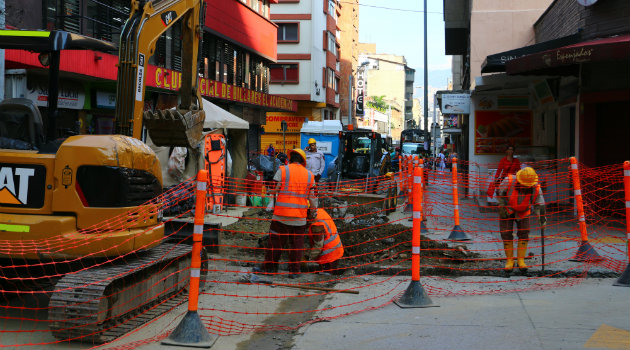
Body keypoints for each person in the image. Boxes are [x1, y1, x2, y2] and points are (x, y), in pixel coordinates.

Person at [260, 148, 317, 278]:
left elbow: (273, 189)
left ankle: (270, 268)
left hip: (281, 216)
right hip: (299, 218)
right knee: (296, 245)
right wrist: (313, 213)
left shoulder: (283, 170)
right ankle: (294, 271)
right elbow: (313, 197)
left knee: (275, 243)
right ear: (303, 161)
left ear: (290, 158)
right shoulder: (309, 175)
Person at [496, 167, 546, 273]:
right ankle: (510, 260)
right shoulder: (509, 180)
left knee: (524, 232)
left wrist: (542, 218)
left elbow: (539, 204)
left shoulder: (536, 187)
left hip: (523, 210)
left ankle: (521, 260)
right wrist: (501, 205)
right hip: (508, 209)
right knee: (506, 233)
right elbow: (500, 192)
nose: (526, 187)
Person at [307, 208, 344, 275]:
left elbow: (318, 246)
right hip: (335, 251)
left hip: (328, 257)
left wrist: (308, 259)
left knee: (325, 276)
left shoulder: (317, 224)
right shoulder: (320, 211)